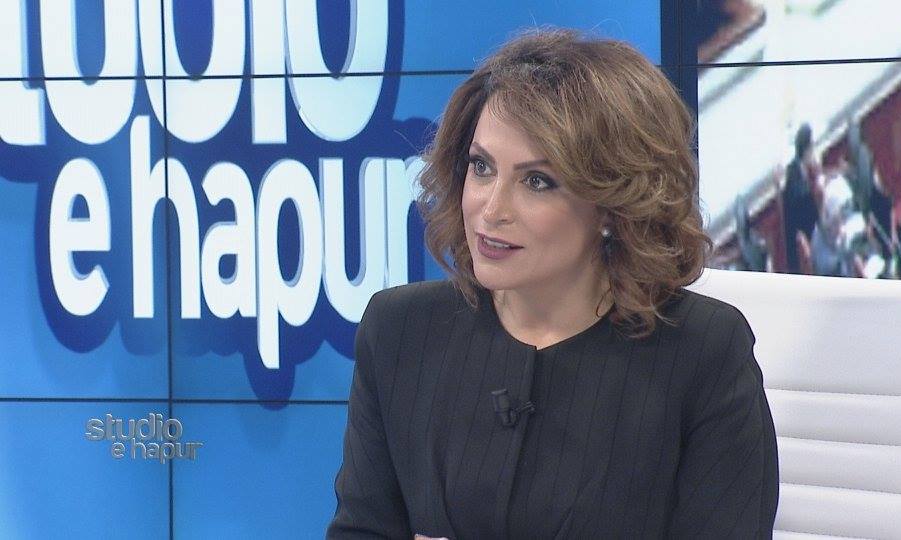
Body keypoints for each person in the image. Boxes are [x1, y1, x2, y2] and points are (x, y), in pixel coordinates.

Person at [327, 28, 779, 539]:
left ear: (613, 204)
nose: (491, 210)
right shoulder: (400, 331)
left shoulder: (703, 353)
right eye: (481, 167)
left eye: (537, 181)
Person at [783, 123, 819, 274]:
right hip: (804, 245)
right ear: (807, 150)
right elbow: (813, 217)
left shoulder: (794, 168)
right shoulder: (799, 186)